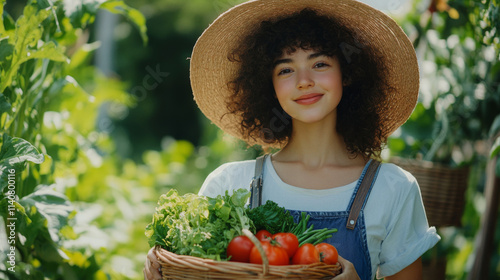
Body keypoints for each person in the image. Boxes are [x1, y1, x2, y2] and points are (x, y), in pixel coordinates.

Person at [144, 0, 441, 279]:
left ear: (347, 73)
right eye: (285, 69)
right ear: (268, 85)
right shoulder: (229, 186)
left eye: (320, 64)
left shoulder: (393, 189)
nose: (303, 80)